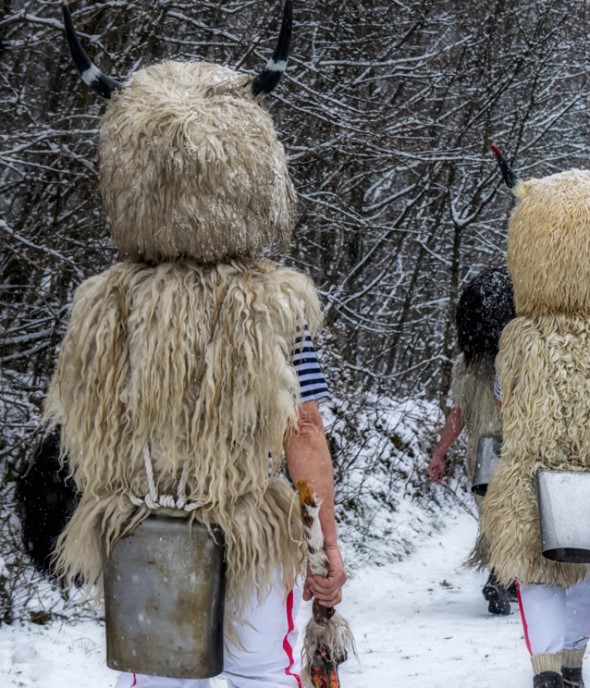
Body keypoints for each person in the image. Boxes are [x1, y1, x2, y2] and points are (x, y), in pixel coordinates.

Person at [48, 4, 345, 686]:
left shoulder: (101, 307)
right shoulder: (279, 305)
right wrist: (326, 545)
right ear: (249, 173)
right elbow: (303, 431)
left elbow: (81, 433)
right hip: (249, 530)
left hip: (138, 528)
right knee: (261, 672)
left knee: (154, 677)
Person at [481, 146, 590, 688]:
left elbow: (502, 402)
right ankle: (575, 670)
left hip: (529, 473)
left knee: (535, 571)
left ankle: (546, 671)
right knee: (585, 569)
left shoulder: (516, 340)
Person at [429, 266, 516, 615]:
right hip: (517, 445)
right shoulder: (519, 360)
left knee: (491, 513)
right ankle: (503, 574)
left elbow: (458, 413)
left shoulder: (463, 365)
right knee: (515, 512)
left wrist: (440, 451)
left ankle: (502, 573)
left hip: (481, 450)